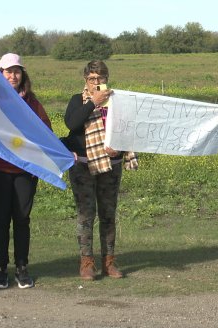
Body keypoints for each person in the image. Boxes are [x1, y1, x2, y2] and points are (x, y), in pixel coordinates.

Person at [62, 60, 137, 281]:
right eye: (92, 78)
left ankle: (109, 261)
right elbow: (72, 124)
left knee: (108, 215)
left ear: (107, 79)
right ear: (85, 80)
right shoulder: (78, 100)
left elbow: (127, 129)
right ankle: (86, 262)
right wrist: (92, 103)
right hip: (83, 165)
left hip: (111, 166)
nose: (96, 82)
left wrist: (120, 148)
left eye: (101, 78)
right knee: (86, 215)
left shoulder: (117, 102)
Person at [0, 53, 52, 289]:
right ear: (0, 74)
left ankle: (22, 268)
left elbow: (45, 131)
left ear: (22, 74)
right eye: (8, 71)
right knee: (1, 220)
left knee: (22, 220)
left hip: (25, 171)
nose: (13, 75)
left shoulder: (32, 103)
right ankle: (1, 268)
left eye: (17, 71)